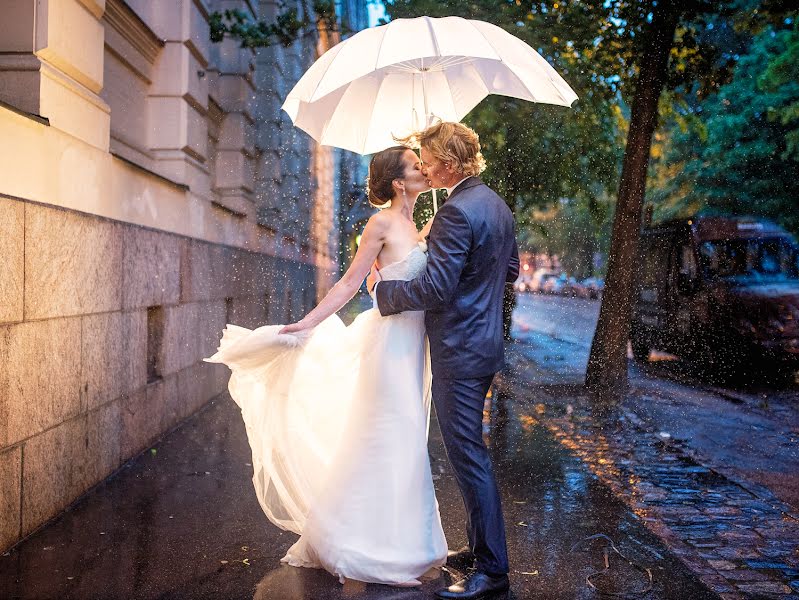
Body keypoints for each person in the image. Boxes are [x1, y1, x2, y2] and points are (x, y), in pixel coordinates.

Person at [205, 146, 447, 586]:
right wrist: (308, 323)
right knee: (387, 434)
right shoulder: (381, 223)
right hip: (390, 345)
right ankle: (360, 541)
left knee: (409, 435)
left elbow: (403, 279)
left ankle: (408, 539)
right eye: (416, 166)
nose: (424, 170)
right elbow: (352, 281)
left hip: (415, 346)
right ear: (398, 182)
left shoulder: (419, 224)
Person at [369, 122, 520, 600]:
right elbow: (509, 269)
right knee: (468, 451)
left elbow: (436, 288)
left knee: (468, 456)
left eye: (428, 158)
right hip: (483, 344)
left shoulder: (456, 211)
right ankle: (479, 551)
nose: (424, 165)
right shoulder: (494, 204)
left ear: (449, 164)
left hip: (459, 348)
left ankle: (493, 570)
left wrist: (382, 291)